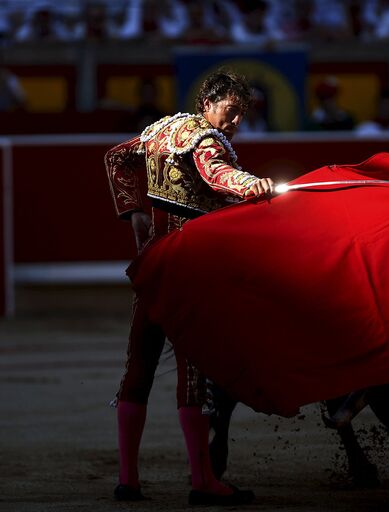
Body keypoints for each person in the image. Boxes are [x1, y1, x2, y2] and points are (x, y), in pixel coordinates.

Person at [104, 69, 274, 505]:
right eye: (230, 112)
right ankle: (202, 481)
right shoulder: (206, 140)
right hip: (189, 273)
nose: (234, 122)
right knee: (193, 377)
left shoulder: (164, 128)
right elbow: (215, 173)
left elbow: (117, 158)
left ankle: (128, 481)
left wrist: (135, 211)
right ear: (208, 103)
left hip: (154, 264)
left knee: (137, 368)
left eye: (241, 116)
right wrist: (250, 185)